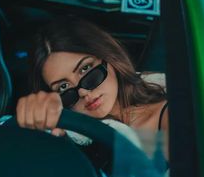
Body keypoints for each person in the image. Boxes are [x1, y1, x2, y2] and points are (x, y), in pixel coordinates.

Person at [16, 15, 168, 139]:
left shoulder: (168, 116)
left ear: (110, 57)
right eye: (63, 87)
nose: (83, 93)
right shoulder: (69, 137)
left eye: (85, 69)